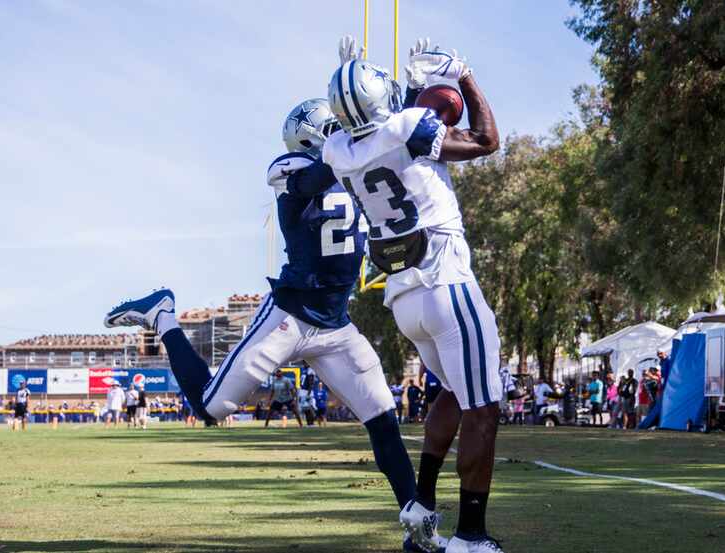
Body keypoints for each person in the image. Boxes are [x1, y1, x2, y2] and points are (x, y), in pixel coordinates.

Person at [105, 52, 436, 549]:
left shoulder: (356, 163)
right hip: (290, 315)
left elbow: (395, 143)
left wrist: (408, 96)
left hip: (336, 326)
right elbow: (314, 178)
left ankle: (417, 528)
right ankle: (163, 314)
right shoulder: (294, 167)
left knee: (384, 419)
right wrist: (351, 142)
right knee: (210, 408)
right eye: (340, 126)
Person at [320, 38, 503, 552]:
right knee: (483, 408)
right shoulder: (408, 128)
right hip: (445, 282)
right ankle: (471, 537)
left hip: (404, 300)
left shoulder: (339, 151)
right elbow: (487, 141)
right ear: (385, 99)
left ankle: (422, 510)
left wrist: (349, 77)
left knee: (453, 391)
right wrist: (462, 74)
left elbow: (365, 126)